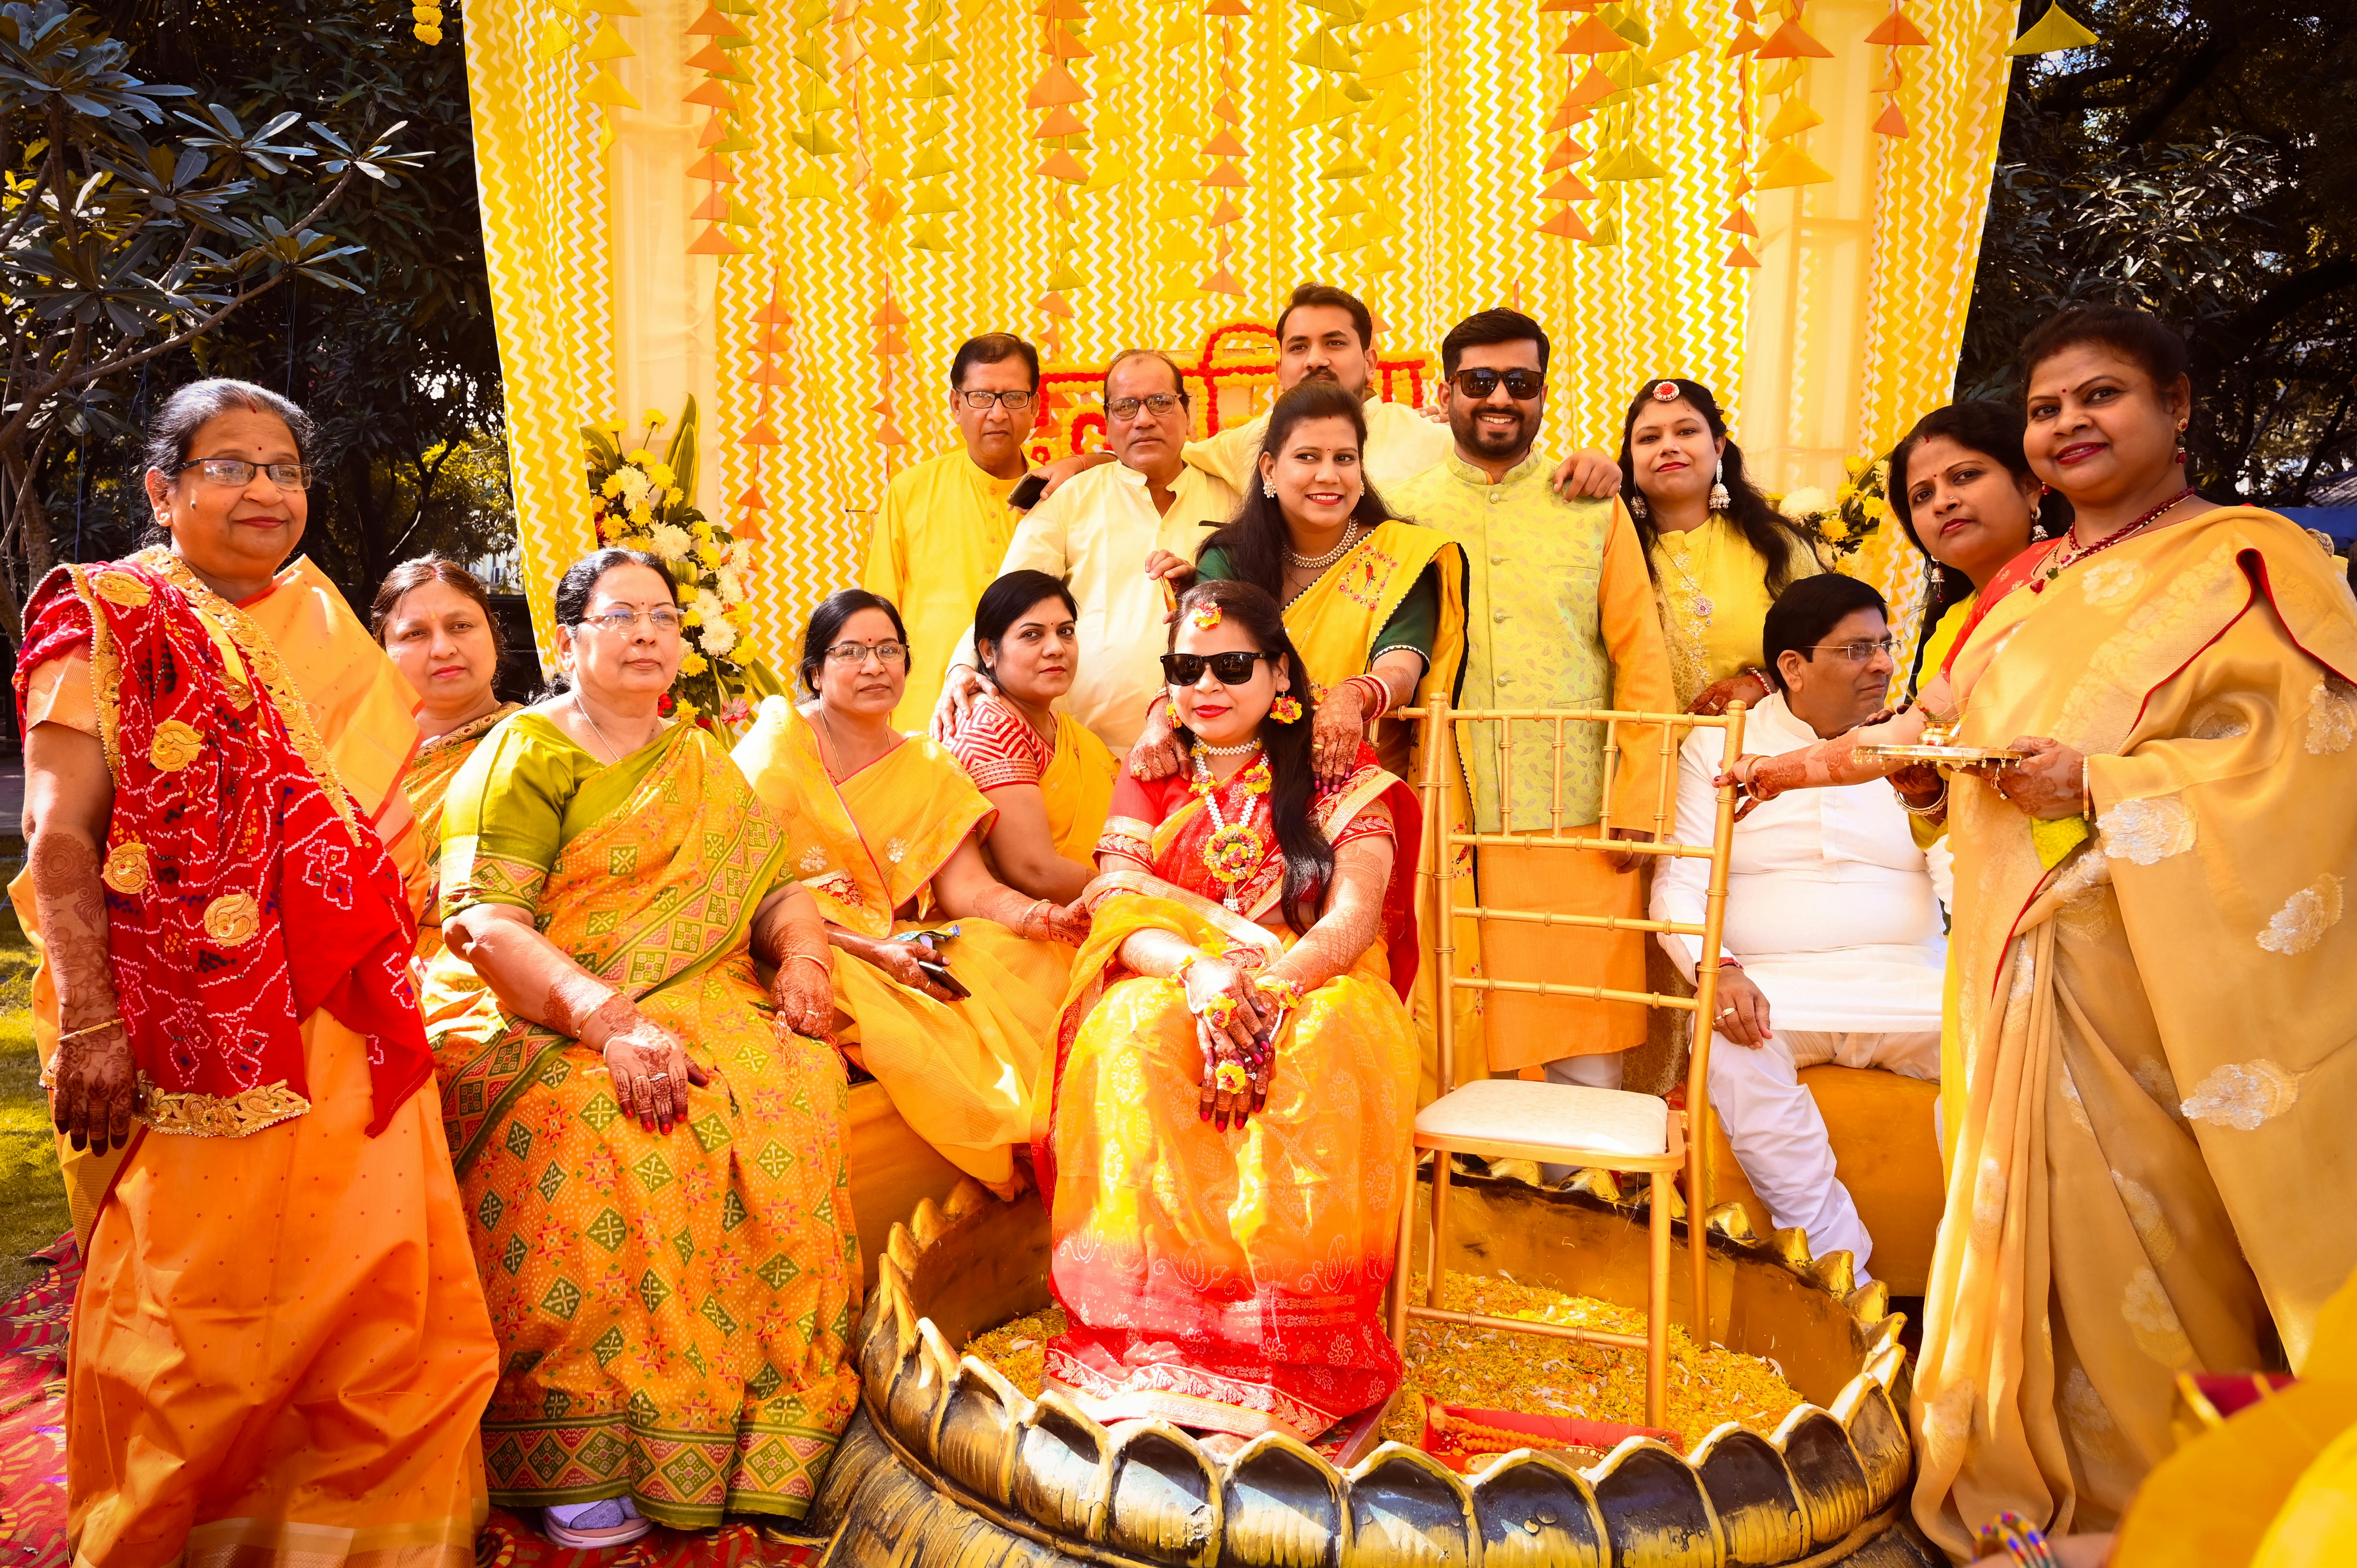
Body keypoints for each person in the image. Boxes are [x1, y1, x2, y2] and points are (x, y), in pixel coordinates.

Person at [1718, 304, 2357, 1552]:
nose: (2068, 424)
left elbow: (2308, 765)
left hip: (2156, 970)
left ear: (2175, 407)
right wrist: (1802, 773)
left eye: (2100, 397)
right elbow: (1931, 732)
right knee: (2035, 1220)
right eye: (2048, 408)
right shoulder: (2022, 598)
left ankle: (2181, 1492)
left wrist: (2110, 787)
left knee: (2163, 1229)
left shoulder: (2252, 560)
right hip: (2013, 964)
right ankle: (2032, 1471)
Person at [15, 378, 497, 1564]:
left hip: (346, 1008)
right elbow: (58, 836)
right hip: (183, 1023)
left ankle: (371, 1532)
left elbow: (368, 827)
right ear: (162, 491)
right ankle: (172, 1529)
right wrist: (90, 1026)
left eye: (283, 469)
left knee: (378, 1290)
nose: (265, 492)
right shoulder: (105, 618)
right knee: (190, 1309)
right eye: (231, 466)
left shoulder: (321, 615)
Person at [422, 548, 860, 1546]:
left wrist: (803, 961)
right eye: (621, 617)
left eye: (663, 616)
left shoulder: (702, 758)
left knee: (791, 1086)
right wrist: (606, 1019)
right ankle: (593, 1441)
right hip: (553, 998)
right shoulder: (528, 751)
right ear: (566, 639)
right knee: (605, 1126)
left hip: (708, 994)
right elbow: (487, 920)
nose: (648, 635)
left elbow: (778, 886)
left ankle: (765, 1434)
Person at [1036, 579, 1421, 1443]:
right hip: (1188, 978)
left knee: (1319, 1047)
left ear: (1280, 673)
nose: (1204, 686)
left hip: (1313, 978)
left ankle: (1286, 1339)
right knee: (1130, 1031)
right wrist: (1203, 980)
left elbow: (1355, 918)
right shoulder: (1150, 775)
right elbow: (1118, 906)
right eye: (1185, 667)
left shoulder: (1338, 778)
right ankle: (1162, 1335)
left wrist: (1270, 994)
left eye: (1231, 665)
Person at [1388, 309, 1679, 1100]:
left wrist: (1642, 802)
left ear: (1543, 394)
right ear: (1443, 391)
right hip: (1445, 814)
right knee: (1455, 1034)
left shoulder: (1591, 506)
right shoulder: (1401, 510)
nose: (1499, 400)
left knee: (1585, 1033)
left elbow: (1641, 658)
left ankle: (1580, 1204)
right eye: (1479, 382)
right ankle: (1478, 1214)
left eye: (1520, 383)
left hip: (1577, 814)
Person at [731, 590, 1088, 1196]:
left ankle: (1067, 1156)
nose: (874, 666)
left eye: (888, 651)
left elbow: (969, 889)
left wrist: (1039, 918)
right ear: (816, 672)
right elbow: (750, 896)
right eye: (852, 652)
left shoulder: (927, 764)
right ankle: (1003, 1144)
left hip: (901, 937)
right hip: (806, 945)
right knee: (887, 996)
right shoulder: (777, 749)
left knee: (1022, 955)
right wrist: (871, 952)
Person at [1652, 575, 1948, 1283]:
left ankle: (1976, 1288)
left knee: (2013, 1055)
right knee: (1727, 1053)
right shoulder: (1719, 747)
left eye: (1884, 646)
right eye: (1856, 650)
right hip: (1777, 997)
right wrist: (1717, 969)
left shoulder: (1915, 742)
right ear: (1792, 667)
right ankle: (1850, 1287)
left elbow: (1955, 861)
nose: (1881, 665)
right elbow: (1680, 880)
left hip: (1914, 992)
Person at [1137, 380, 1467, 787]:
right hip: (1237, 789)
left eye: (1344, 458)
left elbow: (1401, 668)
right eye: (1307, 457)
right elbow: (1198, 664)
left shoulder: (1402, 555)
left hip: (1358, 787)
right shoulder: (1228, 558)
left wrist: (1350, 697)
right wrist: (1157, 716)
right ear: (1270, 469)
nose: (1328, 475)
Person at [931, 350, 1238, 751]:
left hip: (1213, 745)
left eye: (1160, 402)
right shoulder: (1069, 498)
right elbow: (1007, 599)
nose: (1143, 419)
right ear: (1108, 422)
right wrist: (961, 668)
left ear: (1188, 411)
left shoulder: (1235, 499)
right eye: (1126, 407)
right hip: (1087, 750)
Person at [862, 332, 1042, 730]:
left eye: (1013, 397)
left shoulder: (1058, 497)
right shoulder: (910, 491)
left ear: (1035, 407)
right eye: (981, 397)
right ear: (955, 404)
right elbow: (877, 615)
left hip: (1031, 713)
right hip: (926, 709)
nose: (997, 414)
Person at [1619, 377, 1823, 713]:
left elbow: (1830, 651)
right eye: (1649, 438)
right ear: (1631, 458)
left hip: (1759, 754)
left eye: (1686, 432)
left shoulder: (1776, 545)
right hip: (1643, 755)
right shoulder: (1609, 548)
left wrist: (1763, 684)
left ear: (1718, 446)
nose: (1667, 446)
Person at [374, 556, 521, 958]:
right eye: (415, 633)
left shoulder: (539, 744)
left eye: (460, 626)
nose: (443, 648)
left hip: (505, 965)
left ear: (493, 635)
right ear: (383, 652)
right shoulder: (351, 764)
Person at [944, 571, 1118, 902]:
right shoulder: (992, 726)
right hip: (1029, 926)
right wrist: (1141, 895)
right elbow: (1034, 872)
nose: (1055, 648)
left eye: (1065, 632)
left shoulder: (1066, 730)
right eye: (1032, 635)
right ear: (989, 653)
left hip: (1095, 903)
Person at [1889, 399, 2063, 698]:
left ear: (2030, 487)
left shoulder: (2081, 585)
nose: (1943, 503)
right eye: (1922, 495)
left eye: (1965, 476)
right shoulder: (1948, 626)